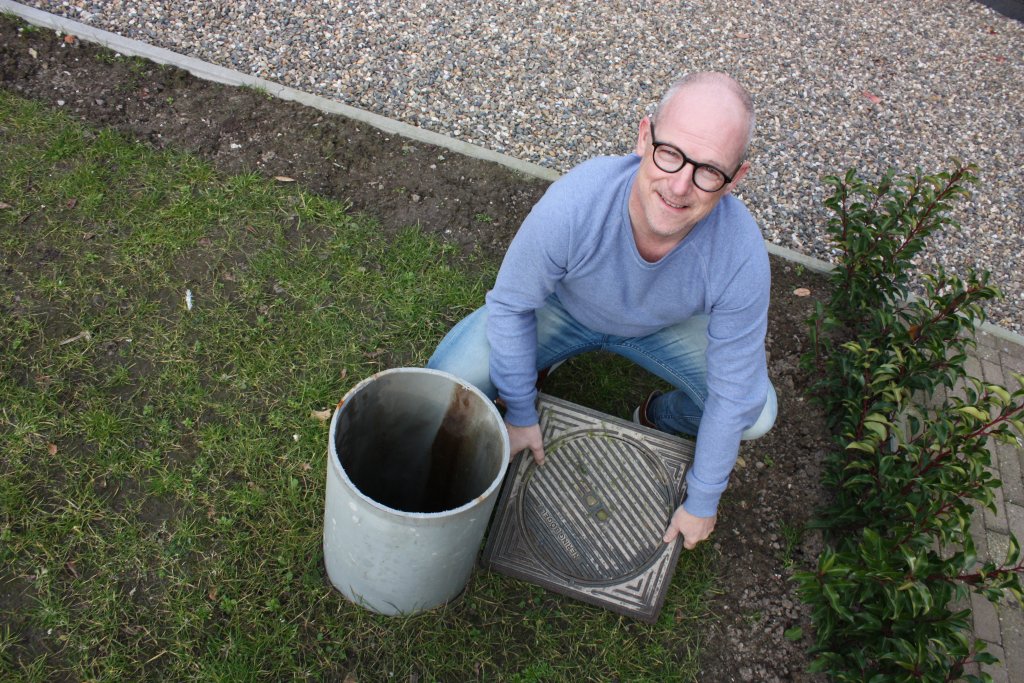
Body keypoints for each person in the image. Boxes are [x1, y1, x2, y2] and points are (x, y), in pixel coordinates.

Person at [427, 72, 776, 551]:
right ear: (643, 137)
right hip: (564, 308)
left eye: (709, 170)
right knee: (448, 377)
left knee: (756, 413)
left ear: (736, 179)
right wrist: (522, 412)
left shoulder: (741, 254)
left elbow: (735, 394)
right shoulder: (576, 203)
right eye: (670, 153)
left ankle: (657, 417)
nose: (679, 187)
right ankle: (536, 366)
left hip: (665, 326)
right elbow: (511, 307)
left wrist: (702, 499)